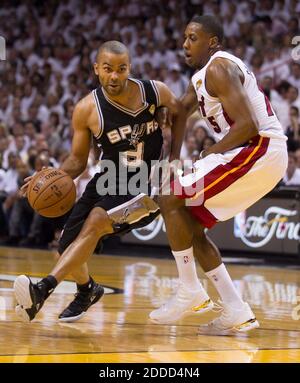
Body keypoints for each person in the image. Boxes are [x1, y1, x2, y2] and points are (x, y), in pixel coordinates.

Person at [14, 41, 186, 323]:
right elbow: (78, 160)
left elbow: (180, 113)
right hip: (109, 178)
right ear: (97, 69)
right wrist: (50, 176)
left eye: (122, 69)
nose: (115, 76)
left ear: (130, 68)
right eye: (108, 69)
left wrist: (175, 158)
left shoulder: (155, 91)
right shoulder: (86, 110)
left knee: (95, 221)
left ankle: (42, 290)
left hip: (146, 182)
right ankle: (87, 290)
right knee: (66, 243)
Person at [150, 15, 288, 333]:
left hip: (259, 147)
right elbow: (182, 111)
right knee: (190, 226)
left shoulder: (219, 67)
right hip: (257, 155)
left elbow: (248, 125)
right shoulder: (201, 79)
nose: (185, 44)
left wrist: (211, 152)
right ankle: (236, 309)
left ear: (212, 41)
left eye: (193, 38)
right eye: (184, 37)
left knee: (169, 196)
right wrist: (173, 159)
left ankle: (190, 290)